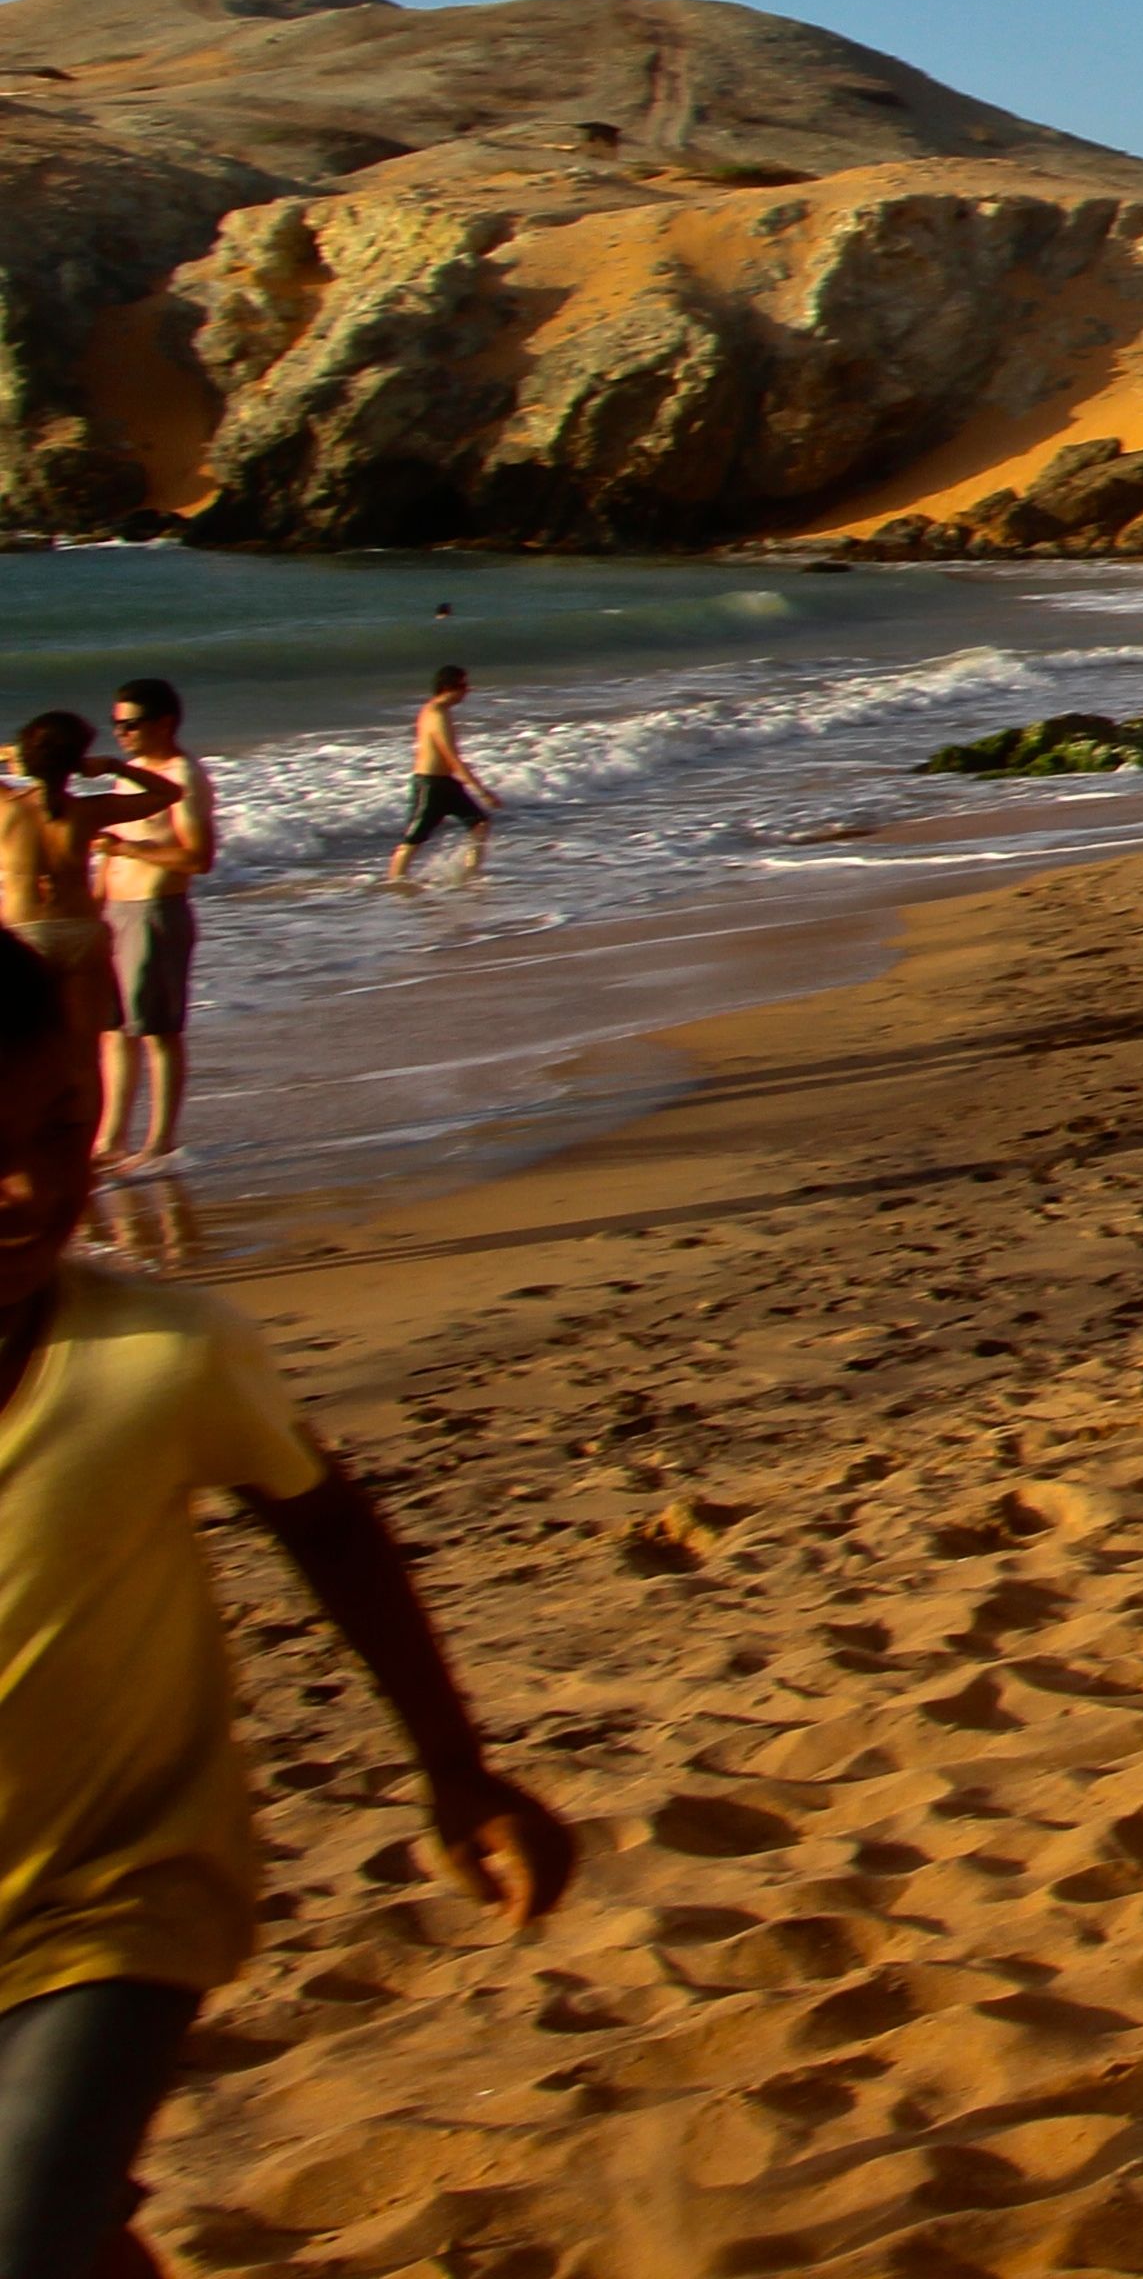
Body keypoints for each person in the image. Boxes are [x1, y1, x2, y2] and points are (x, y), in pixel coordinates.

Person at [0, 937, 579, 2276]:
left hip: (119, 1901)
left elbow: (329, 1527)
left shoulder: (159, 1360)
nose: (32, 1184)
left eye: (59, 1130)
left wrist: (458, 1771)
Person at [92, 682, 216, 1175]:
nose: (120, 733)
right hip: (117, 912)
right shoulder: (135, 775)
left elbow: (199, 857)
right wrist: (97, 900)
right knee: (113, 1031)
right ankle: (110, 1138)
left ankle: (160, 1141)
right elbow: (112, 843)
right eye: (116, 724)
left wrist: (128, 852)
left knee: (156, 1031)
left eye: (130, 724)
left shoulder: (182, 774)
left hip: (157, 909)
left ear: (163, 723)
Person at [0, 719, 173, 1048]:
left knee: (23, 1052)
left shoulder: (6, 808)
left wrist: (7, 755)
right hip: (82, 931)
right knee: (84, 1051)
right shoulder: (89, 810)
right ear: (76, 761)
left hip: (25, 936)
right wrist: (113, 766)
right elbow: (168, 792)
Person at [379, 668, 498, 888]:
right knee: (413, 840)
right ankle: (393, 883)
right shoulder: (436, 713)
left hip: (447, 784)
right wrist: (482, 791)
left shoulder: (442, 711)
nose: (467, 692)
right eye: (463, 686)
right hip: (431, 785)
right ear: (448, 687)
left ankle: (468, 876)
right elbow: (452, 758)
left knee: (480, 824)